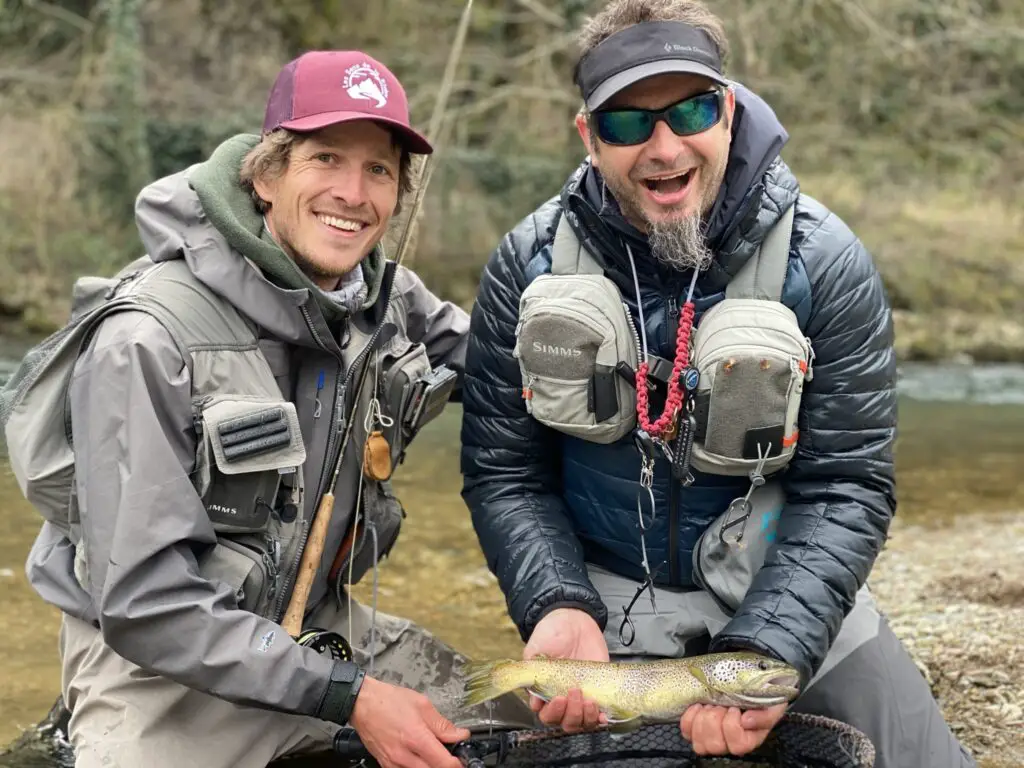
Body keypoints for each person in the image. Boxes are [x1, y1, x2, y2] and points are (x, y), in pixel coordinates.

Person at [459, 2, 976, 767]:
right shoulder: (526, 262)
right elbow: (505, 473)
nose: (663, 148)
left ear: (728, 110)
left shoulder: (825, 262)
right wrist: (555, 603)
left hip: (783, 591)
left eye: (691, 110)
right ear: (588, 136)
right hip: (603, 608)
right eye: (628, 124)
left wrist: (769, 643)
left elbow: (847, 486)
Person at [10, 50, 532, 768]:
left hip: (320, 632)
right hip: (163, 671)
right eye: (325, 158)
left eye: (379, 169)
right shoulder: (145, 339)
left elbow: (509, 377)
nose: (353, 192)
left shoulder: (385, 298)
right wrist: (349, 696)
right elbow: (146, 605)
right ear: (265, 175)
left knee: (510, 726)